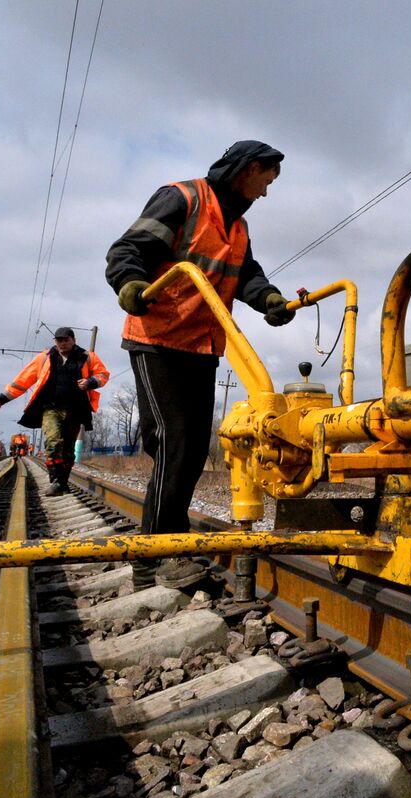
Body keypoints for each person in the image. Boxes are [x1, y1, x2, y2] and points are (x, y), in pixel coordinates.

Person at [105, 140, 297, 589]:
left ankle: (167, 543)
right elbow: (127, 249)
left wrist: (268, 298)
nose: (266, 192)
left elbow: (246, 274)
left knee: (190, 449)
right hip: (157, 339)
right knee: (174, 439)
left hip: (202, 345)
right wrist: (130, 283)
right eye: (266, 181)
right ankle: (155, 556)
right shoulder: (182, 198)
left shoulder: (239, 227)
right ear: (248, 170)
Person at [0, 327, 110, 496]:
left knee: (68, 450)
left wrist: (91, 382)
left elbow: (103, 374)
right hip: (50, 408)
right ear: (55, 341)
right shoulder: (45, 357)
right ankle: (55, 481)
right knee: (53, 442)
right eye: (58, 340)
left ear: (73, 340)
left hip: (75, 410)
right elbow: (23, 380)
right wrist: (3, 397)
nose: (62, 343)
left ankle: (62, 482)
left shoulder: (87, 357)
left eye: (65, 340)